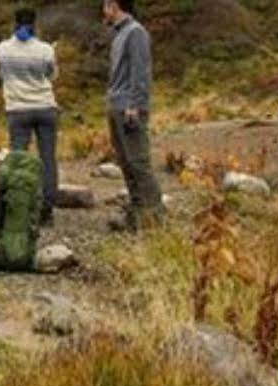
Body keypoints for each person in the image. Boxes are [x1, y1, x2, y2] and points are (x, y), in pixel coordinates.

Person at [102, 0, 164, 231]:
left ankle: (154, 217)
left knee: (138, 162)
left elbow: (141, 71)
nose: (103, 11)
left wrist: (135, 104)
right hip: (116, 104)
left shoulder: (136, 32)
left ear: (114, 6)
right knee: (126, 162)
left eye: (106, 5)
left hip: (129, 107)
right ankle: (137, 213)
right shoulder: (119, 34)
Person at [0, 7, 59, 226]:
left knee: (18, 160)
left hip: (18, 109)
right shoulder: (46, 49)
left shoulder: (2, 49)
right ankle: (46, 209)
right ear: (34, 24)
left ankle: (17, 206)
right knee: (47, 158)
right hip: (45, 107)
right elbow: (52, 75)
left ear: (15, 23)